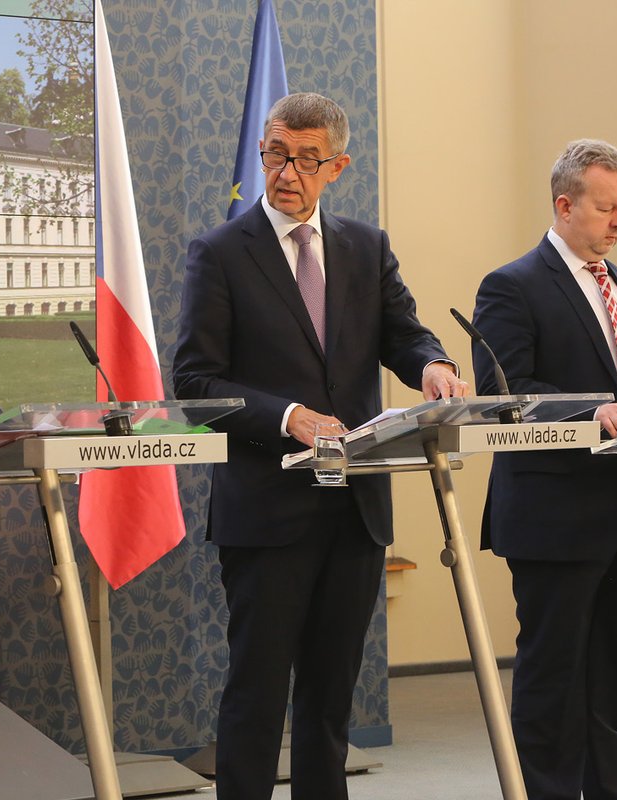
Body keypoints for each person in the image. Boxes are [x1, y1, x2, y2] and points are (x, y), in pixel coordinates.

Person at [173, 92, 469, 800]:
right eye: (276, 154)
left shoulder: (366, 247)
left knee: (332, 699)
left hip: (355, 509)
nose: (286, 172)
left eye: (306, 160)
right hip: (267, 513)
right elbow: (193, 381)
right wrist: (288, 416)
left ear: (337, 166)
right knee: (257, 694)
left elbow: (404, 333)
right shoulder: (219, 253)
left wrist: (431, 363)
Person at [470, 139, 617, 800]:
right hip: (555, 515)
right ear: (565, 204)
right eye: (607, 208)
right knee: (552, 682)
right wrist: (591, 411)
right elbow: (502, 390)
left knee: (612, 682)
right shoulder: (511, 286)